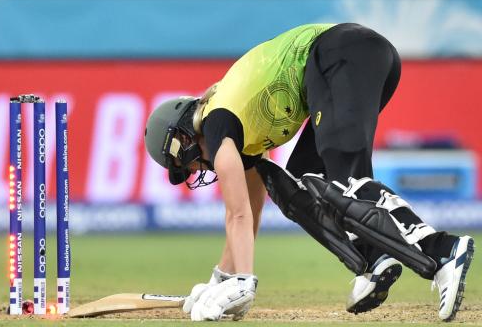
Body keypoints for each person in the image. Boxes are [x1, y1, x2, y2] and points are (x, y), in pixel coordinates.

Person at [144, 23, 474, 322]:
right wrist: (222, 277)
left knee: (346, 182)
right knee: (301, 187)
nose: (194, 169)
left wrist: (242, 282)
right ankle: (373, 259)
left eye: (184, 163)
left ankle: (442, 250)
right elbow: (250, 213)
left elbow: (237, 214)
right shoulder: (233, 131)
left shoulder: (217, 125)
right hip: (354, 57)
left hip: (339, 54)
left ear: (182, 138)